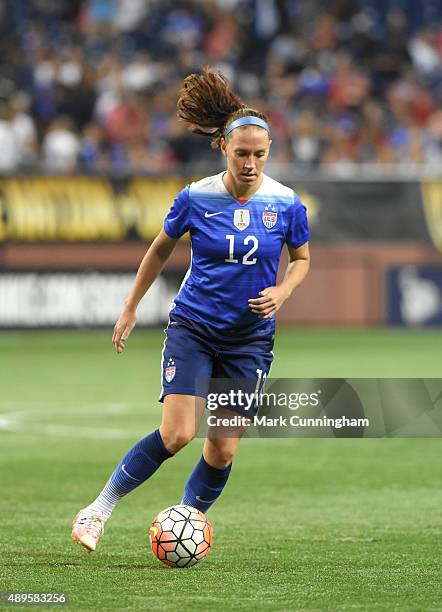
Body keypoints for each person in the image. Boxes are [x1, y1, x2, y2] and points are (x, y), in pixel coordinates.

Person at [71, 67, 310, 552]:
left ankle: (186, 522)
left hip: (250, 339)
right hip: (195, 327)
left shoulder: (286, 202)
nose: (250, 163)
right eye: (241, 153)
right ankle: (97, 511)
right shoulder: (197, 196)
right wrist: (131, 307)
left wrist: (283, 291)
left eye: (259, 155)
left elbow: (302, 260)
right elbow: (160, 248)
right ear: (222, 147)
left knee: (221, 448)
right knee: (178, 433)